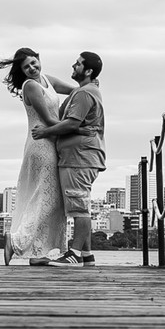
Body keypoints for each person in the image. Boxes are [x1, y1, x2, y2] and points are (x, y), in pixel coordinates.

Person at [0, 47, 75, 265]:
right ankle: (16, 241)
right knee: (47, 198)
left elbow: (75, 91)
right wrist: (77, 128)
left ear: (39, 59)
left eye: (33, 62)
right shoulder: (31, 86)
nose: (32, 68)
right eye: (26, 66)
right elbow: (48, 120)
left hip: (51, 142)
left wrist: (90, 87)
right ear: (22, 71)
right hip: (41, 145)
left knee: (51, 199)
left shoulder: (46, 79)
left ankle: (40, 253)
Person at [31, 51, 105, 267]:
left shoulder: (84, 94)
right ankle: (86, 254)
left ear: (88, 71)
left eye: (79, 64)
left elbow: (72, 123)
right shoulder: (86, 91)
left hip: (80, 158)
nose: (74, 66)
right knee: (79, 203)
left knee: (79, 205)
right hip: (78, 156)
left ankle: (73, 254)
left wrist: (45, 132)